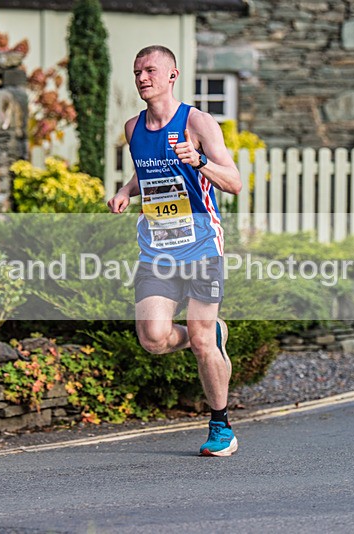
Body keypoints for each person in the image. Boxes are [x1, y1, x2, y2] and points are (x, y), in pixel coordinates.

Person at [107, 45, 242, 456]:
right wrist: (127, 191)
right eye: (136, 72)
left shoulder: (198, 122)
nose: (142, 78)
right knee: (153, 338)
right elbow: (145, 171)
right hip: (157, 247)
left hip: (201, 242)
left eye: (150, 70)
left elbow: (234, 182)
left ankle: (222, 427)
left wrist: (198, 160)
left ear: (172, 75)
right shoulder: (133, 128)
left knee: (201, 341)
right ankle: (212, 333)